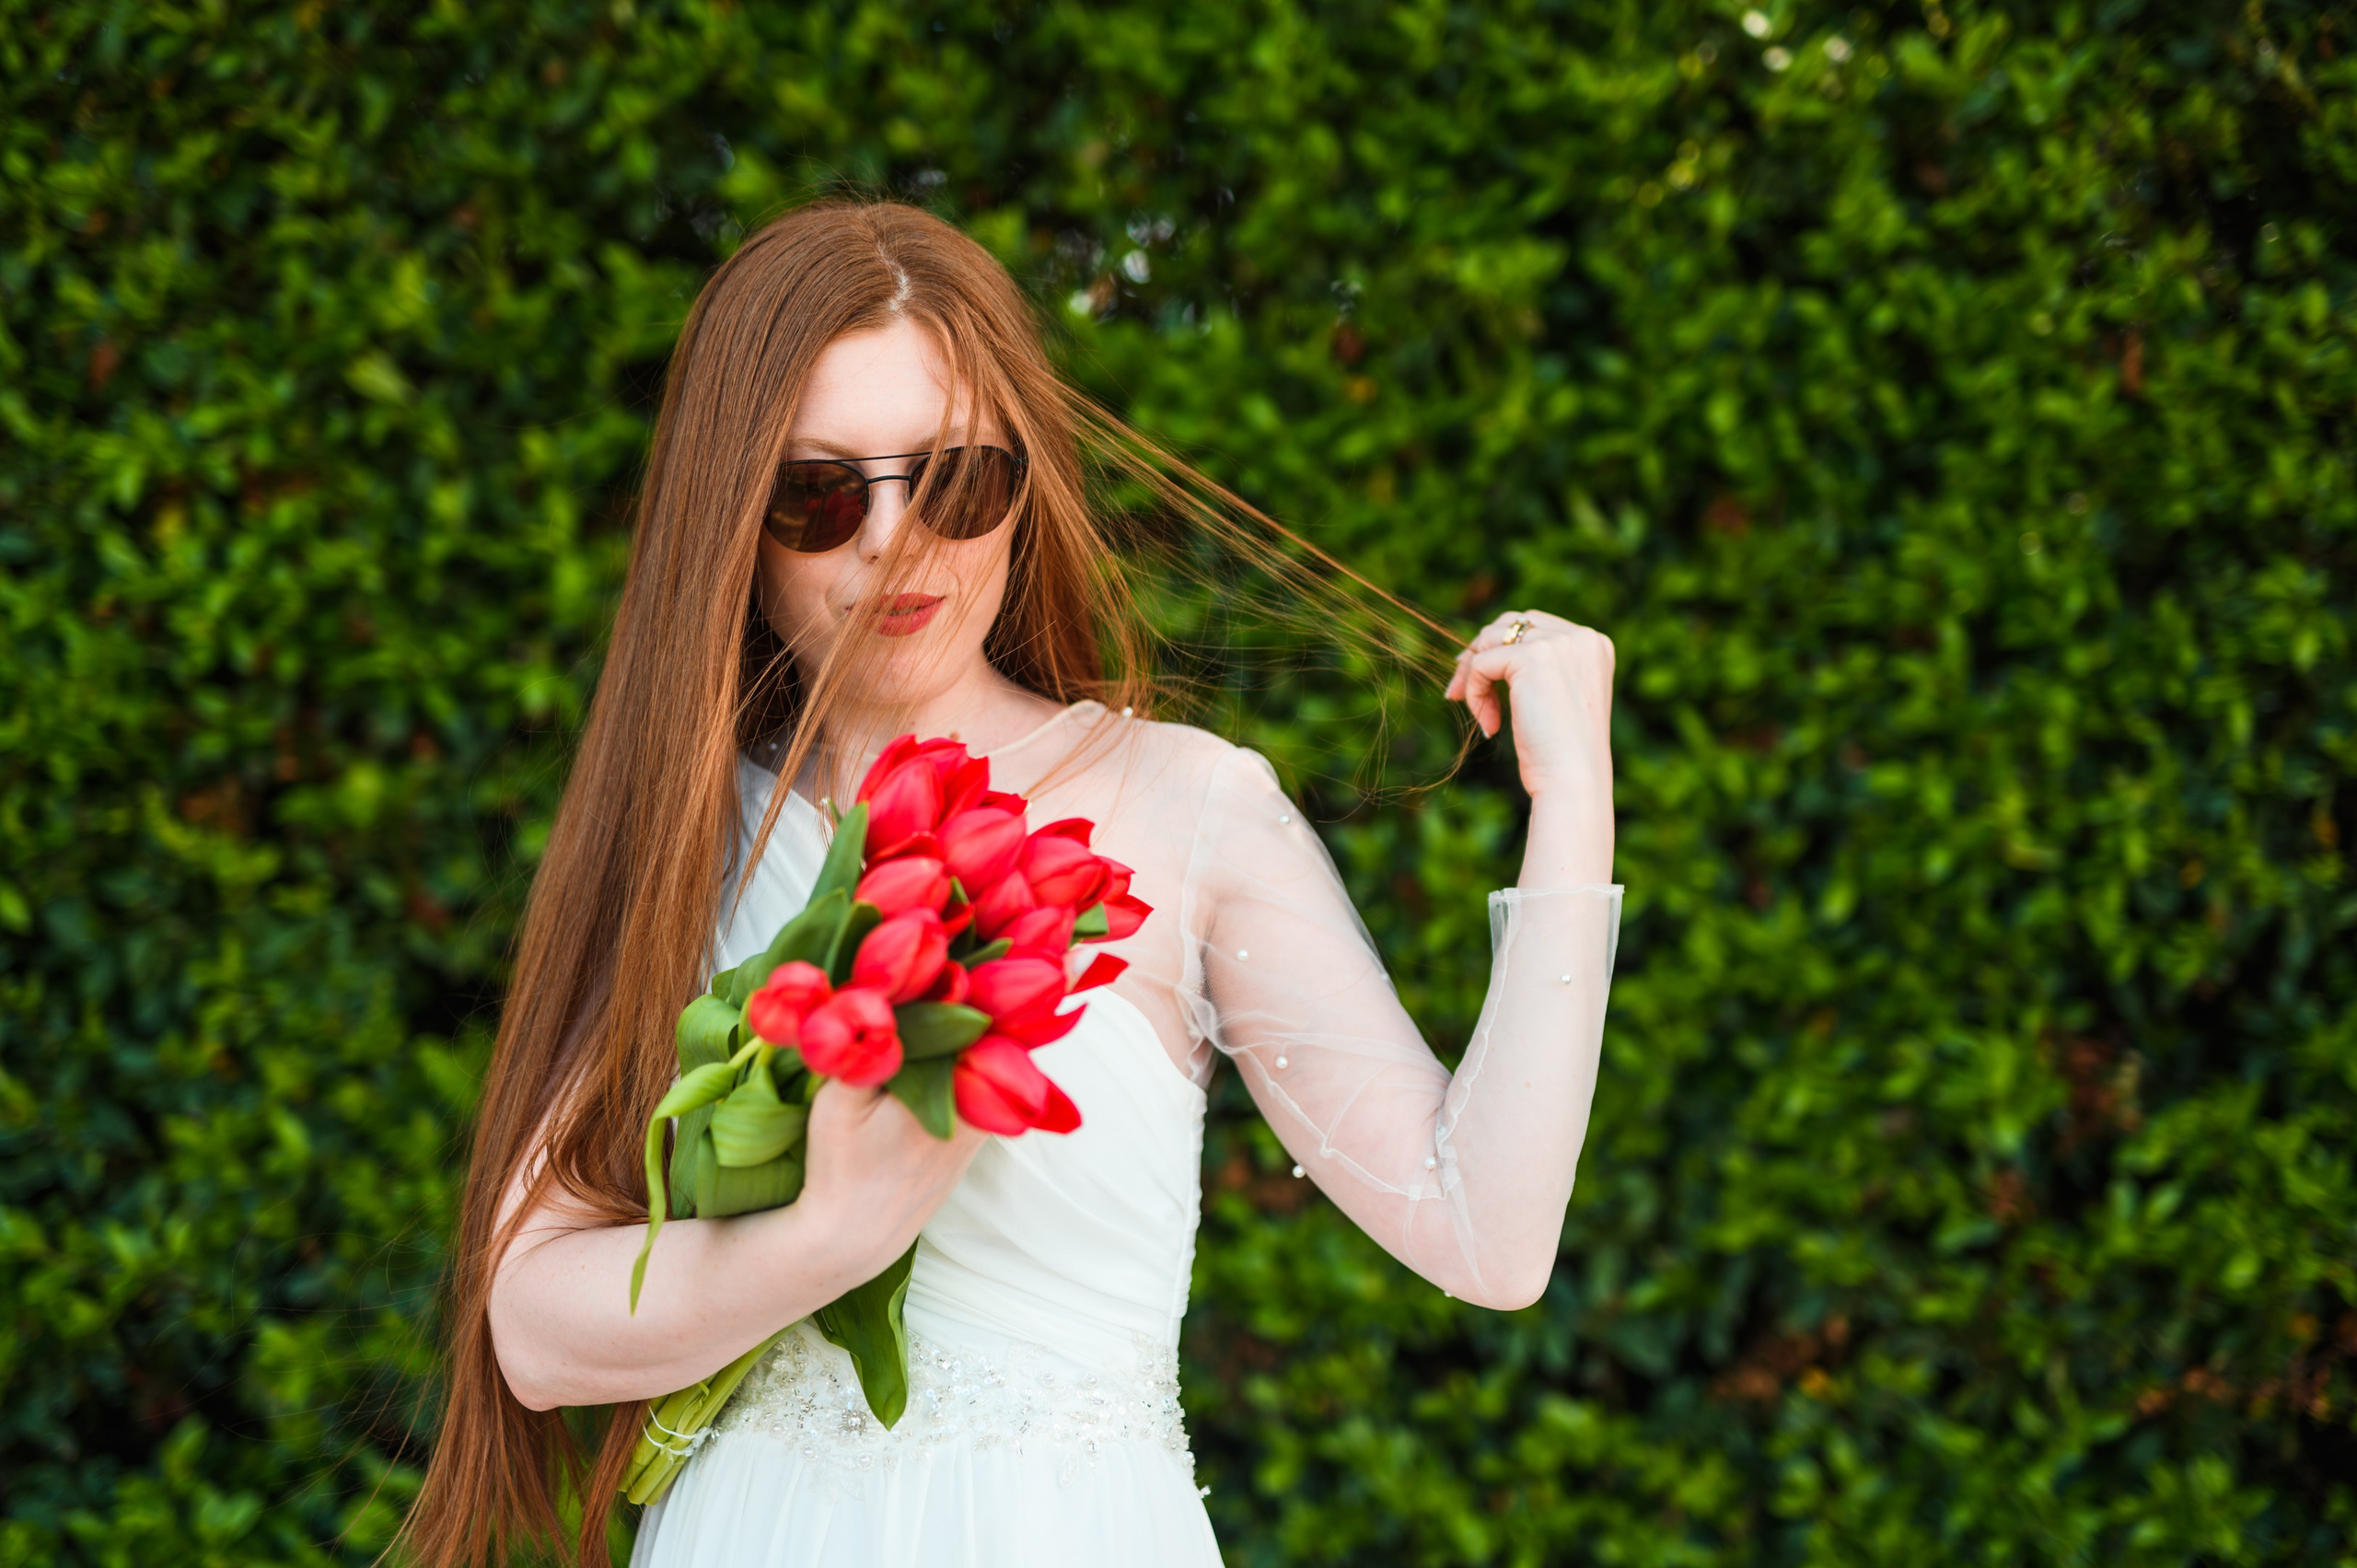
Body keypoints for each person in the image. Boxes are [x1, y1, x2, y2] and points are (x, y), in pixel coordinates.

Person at [401, 201, 1620, 1568]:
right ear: (731, 520)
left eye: (955, 480)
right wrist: (820, 1242)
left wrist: (1574, 809)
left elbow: (1488, 1238)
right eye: (818, 495)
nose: (894, 542)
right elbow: (535, 1331)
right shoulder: (698, 829)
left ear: (1023, 482)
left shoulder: (1188, 807)